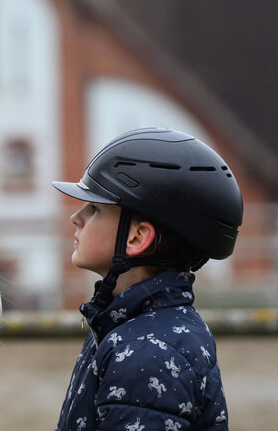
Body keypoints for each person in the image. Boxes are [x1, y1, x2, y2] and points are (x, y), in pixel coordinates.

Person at [52, 127, 242, 430]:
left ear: (138, 237)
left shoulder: (148, 354)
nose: (77, 217)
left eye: (96, 208)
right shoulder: (127, 328)